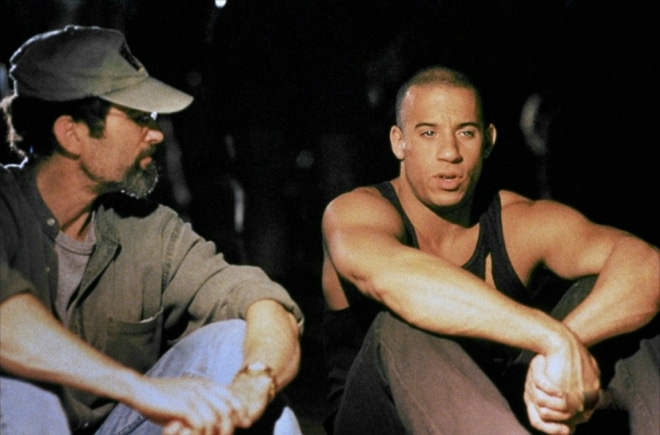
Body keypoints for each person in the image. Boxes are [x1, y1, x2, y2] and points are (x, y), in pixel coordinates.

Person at [321, 66, 659, 434]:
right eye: (429, 133)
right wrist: (550, 337)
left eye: (465, 132)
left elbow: (646, 265)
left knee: (617, 304)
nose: (449, 152)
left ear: (488, 141)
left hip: (492, 418)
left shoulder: (516, 221)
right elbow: (394, 281)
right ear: (399, 142)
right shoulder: (356, 212)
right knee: (404, 321)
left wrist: (568, 343)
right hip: (380, 422)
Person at [0, 25, 305, 435]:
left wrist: (253, 386)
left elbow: (262, 303)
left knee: (237, 346)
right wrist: (141, 390)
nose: (157, 134)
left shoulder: (148, 229)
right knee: (23, 392)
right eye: (139, 117)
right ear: (71, 134)